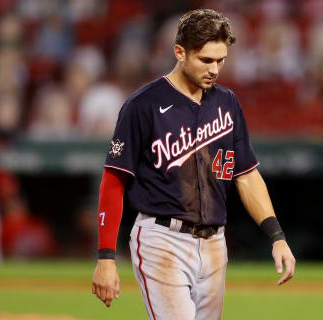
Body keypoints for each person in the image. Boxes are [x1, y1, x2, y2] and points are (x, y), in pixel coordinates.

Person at [91, 9, 296, 320]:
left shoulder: (227, 103)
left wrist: (277, 236)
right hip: (162, 239)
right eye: (206, 60)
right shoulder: (143, 105)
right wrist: (106, 256)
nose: (215, 69)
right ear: (179, 52)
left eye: (220, 60)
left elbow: (246, 175)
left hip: (215, 243)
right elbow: (114, 181)